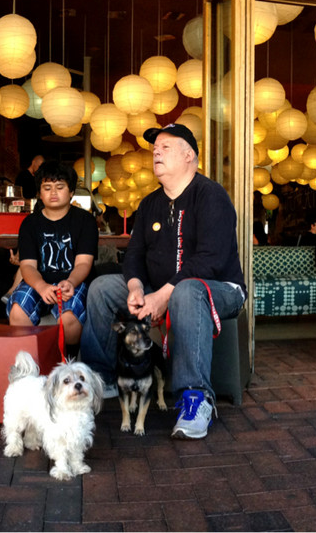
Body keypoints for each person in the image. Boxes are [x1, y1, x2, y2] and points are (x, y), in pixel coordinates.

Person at [80, 123, 246, 440]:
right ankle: (103, 380)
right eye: (155, 147)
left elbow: (210, 259)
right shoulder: (150, 203)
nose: (156, 151)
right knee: (102, 289)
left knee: (186, 290)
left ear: (189, 156)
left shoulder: (211, 195)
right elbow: (134, 254)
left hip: (219, 289)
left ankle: (196, 399)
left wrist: (163, 296)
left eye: (166, 146)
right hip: (162, 288)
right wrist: (136, 288)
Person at [5, 161, 98, 357]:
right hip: (38, 281)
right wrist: (40, 286)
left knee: (69, 319)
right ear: (39, 193)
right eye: (47, 188)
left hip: (72, 281)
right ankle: (28, 364)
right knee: (17, 312)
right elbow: (28, 266)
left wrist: (71, 282)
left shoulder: (85, 221)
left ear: (71, 191)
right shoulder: (30, 223)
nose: (53, 193)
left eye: (60, 187)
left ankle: (67, 359)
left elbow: (83, 263)